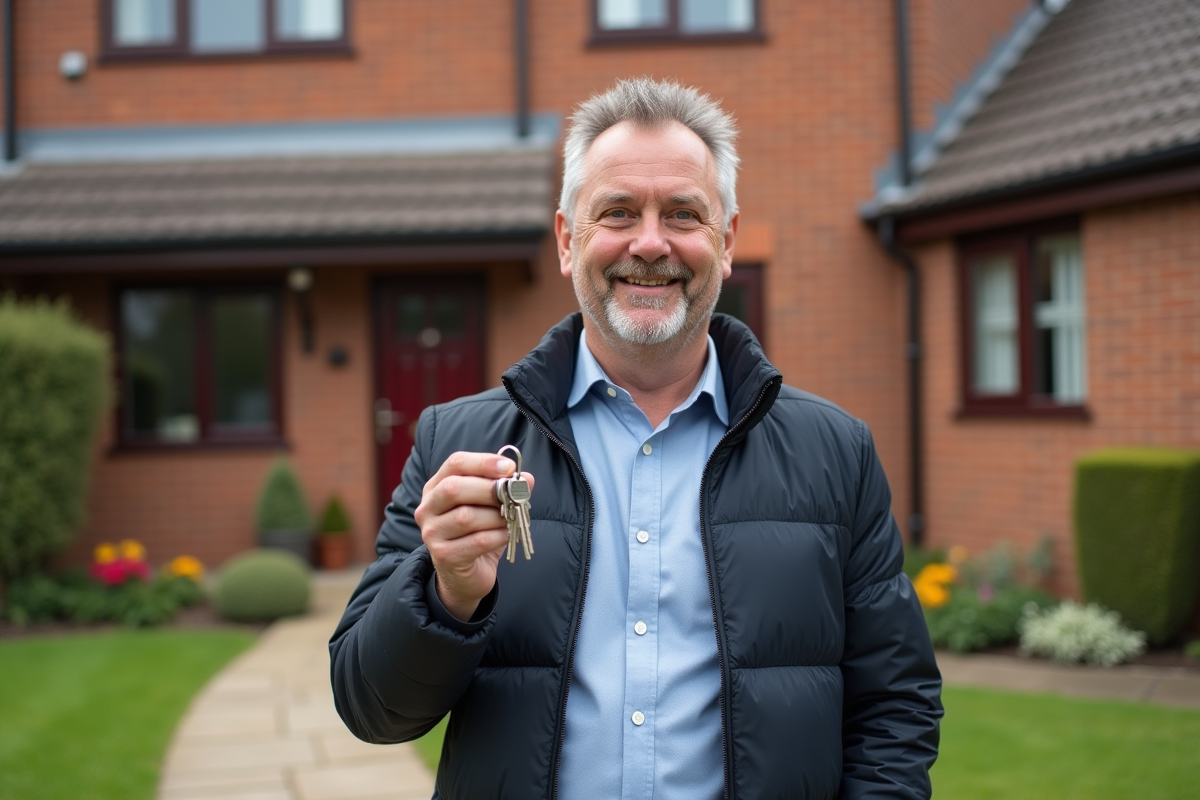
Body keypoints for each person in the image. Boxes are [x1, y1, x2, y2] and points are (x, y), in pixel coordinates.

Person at [330, 77, 942, 800]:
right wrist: (446, 596)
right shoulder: (456, 444)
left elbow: (895, 707)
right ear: (568, 241)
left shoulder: (835, 453)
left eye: (683, 213)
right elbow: (372, 710)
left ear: (726, 242)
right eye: (618, 212)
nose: (650, 243)